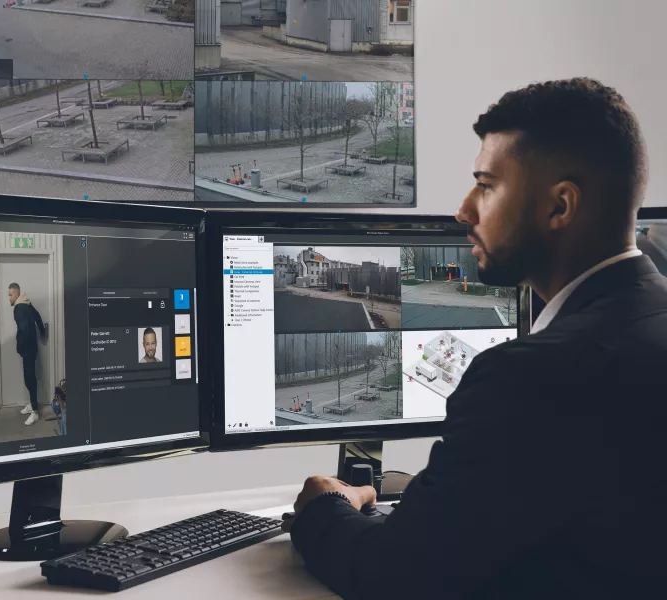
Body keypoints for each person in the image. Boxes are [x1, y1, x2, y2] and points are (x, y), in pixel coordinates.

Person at [283, 78, 667, 599]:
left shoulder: (532, 375)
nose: (464, 210)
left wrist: (322, 507)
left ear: (560, 207)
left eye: (486, 186)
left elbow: (393, 577)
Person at [8, 283, 46, 426]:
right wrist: (42, 333)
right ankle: (32, 404)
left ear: (17, 294)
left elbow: (24, 330)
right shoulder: (27, 303)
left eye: (10, 294)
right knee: (30, 377)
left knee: (29, 378)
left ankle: (35, 411)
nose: (9, 298)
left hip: (28, 350)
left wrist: (20, 347)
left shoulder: (19, 308)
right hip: (32, 349)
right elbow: (38, 317)